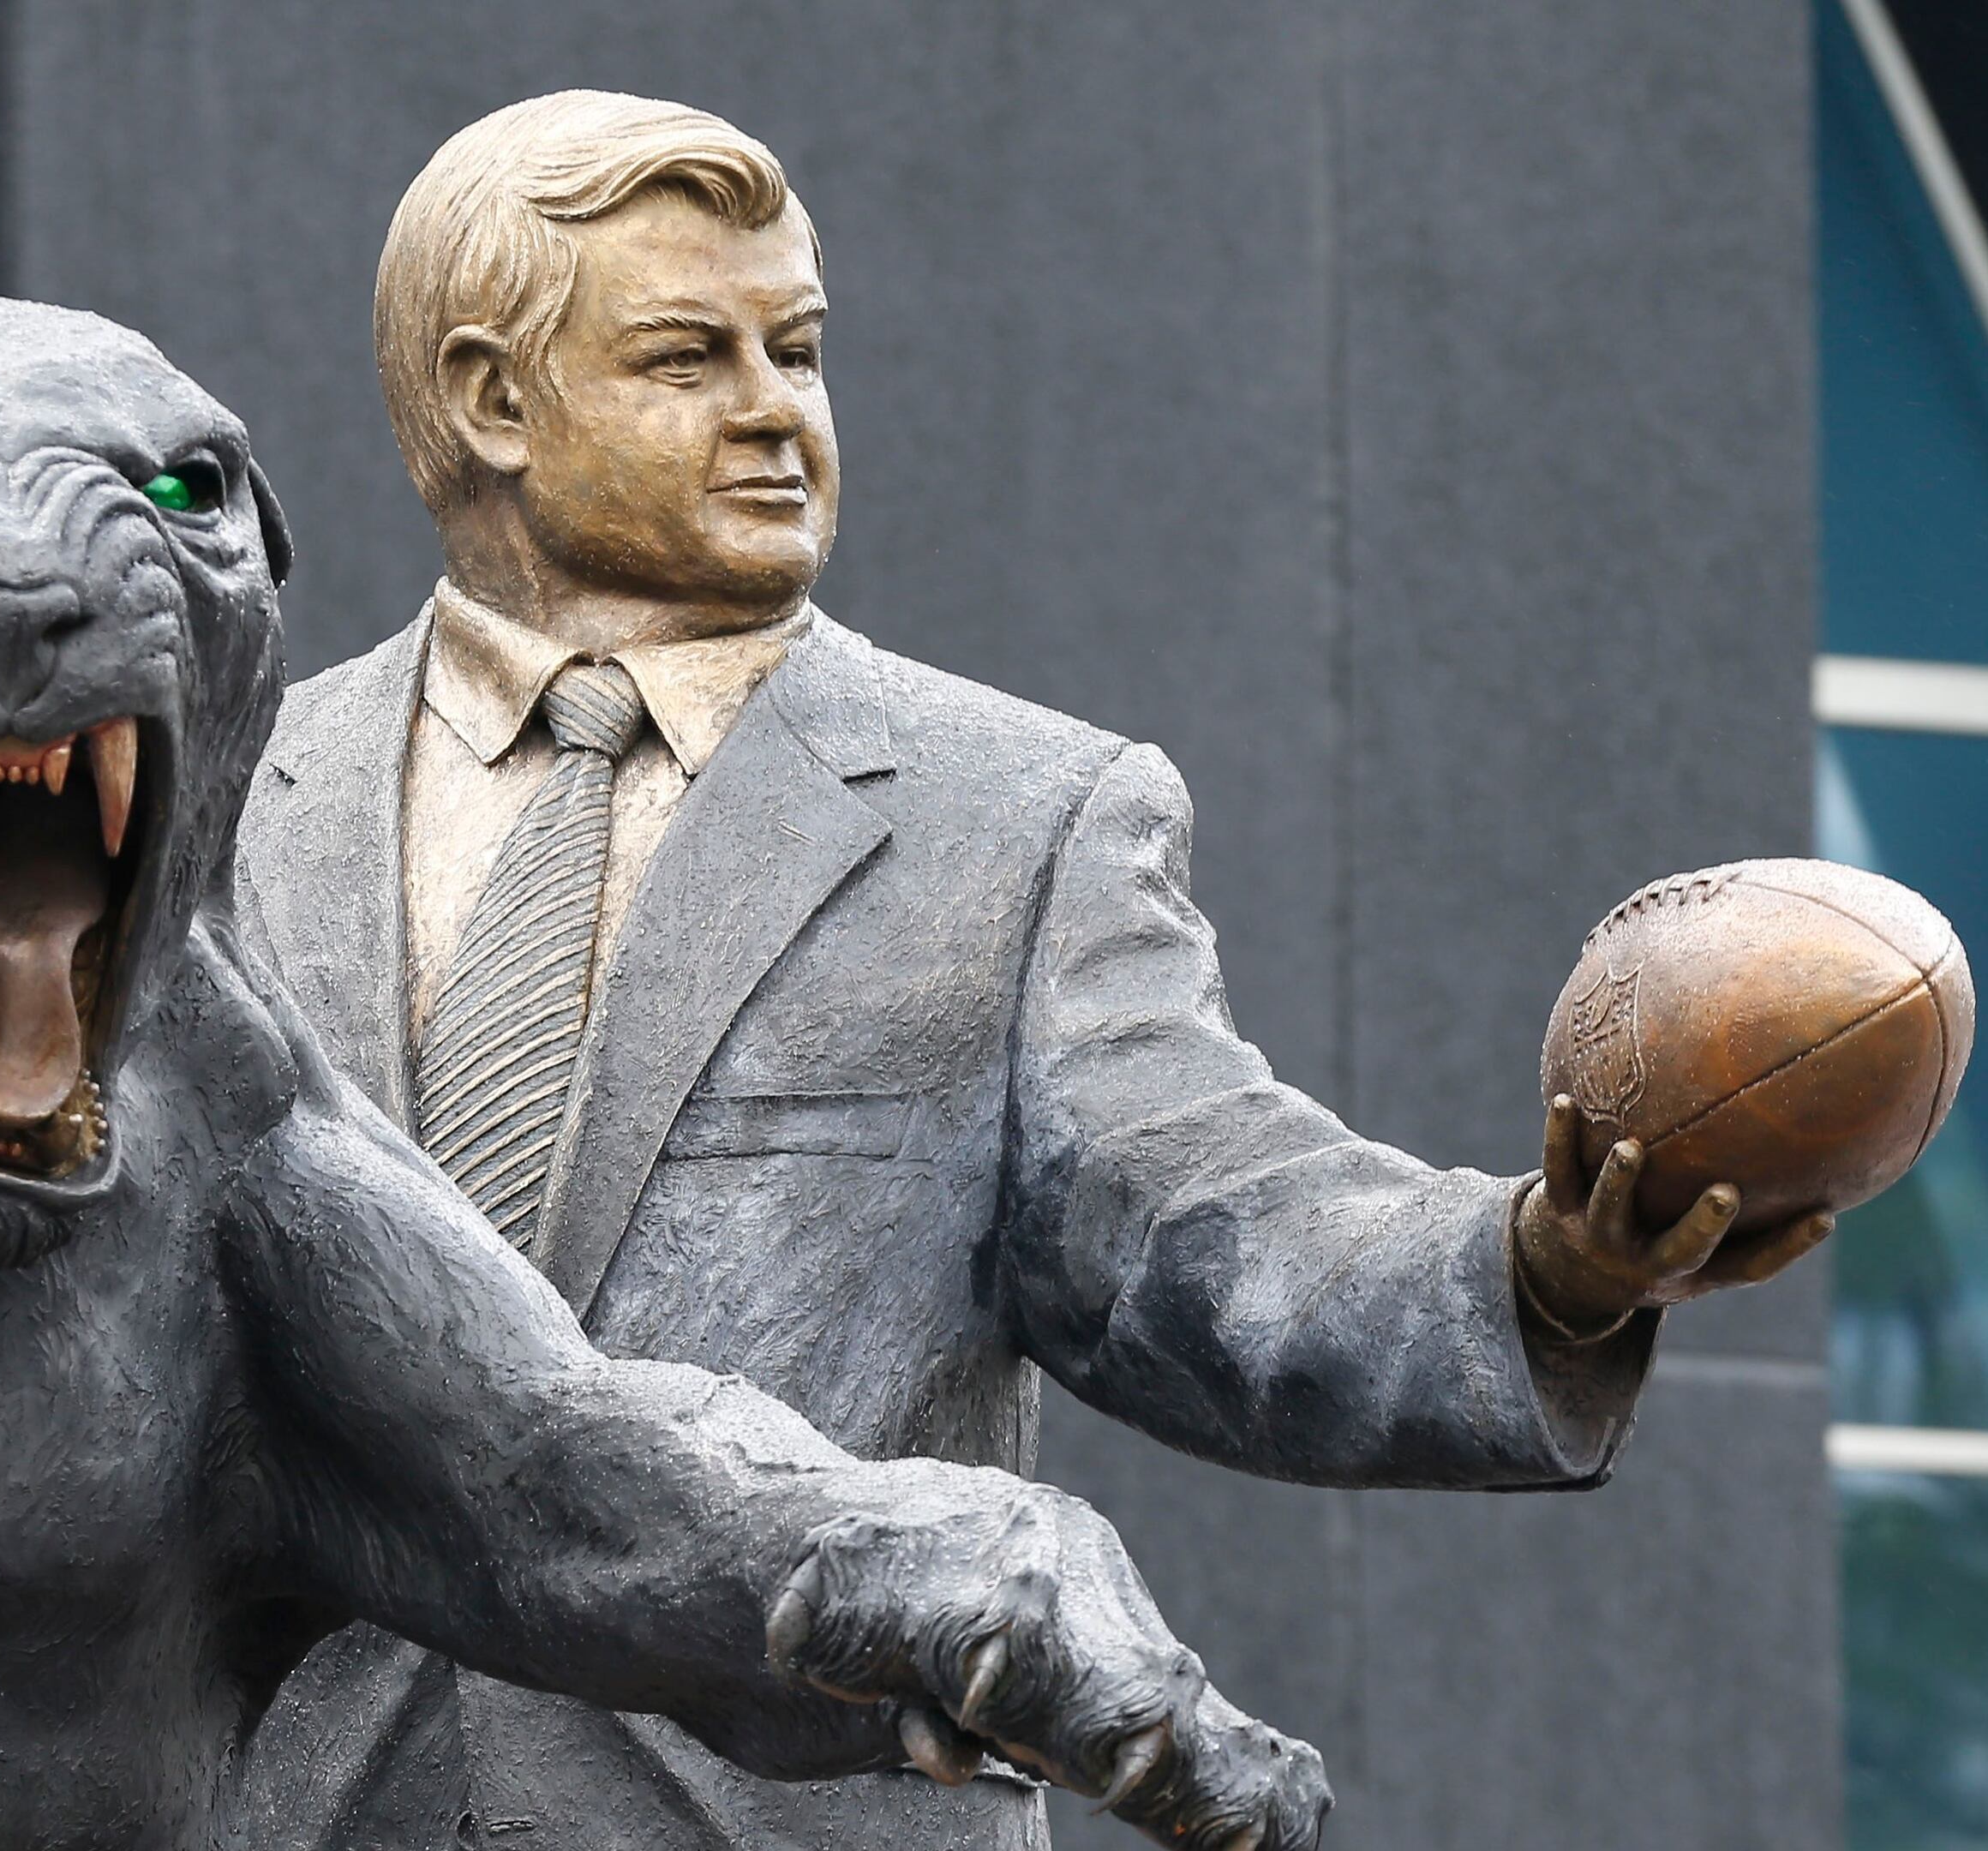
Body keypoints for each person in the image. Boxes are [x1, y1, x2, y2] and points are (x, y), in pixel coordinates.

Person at [228, 91, 1830, 1851]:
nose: (775, 410)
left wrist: (1542, 1274)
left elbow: (1210, 1228)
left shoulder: (1021, 819)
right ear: (490, 402)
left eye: (798, 349)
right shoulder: (223, 805)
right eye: (689, 357)